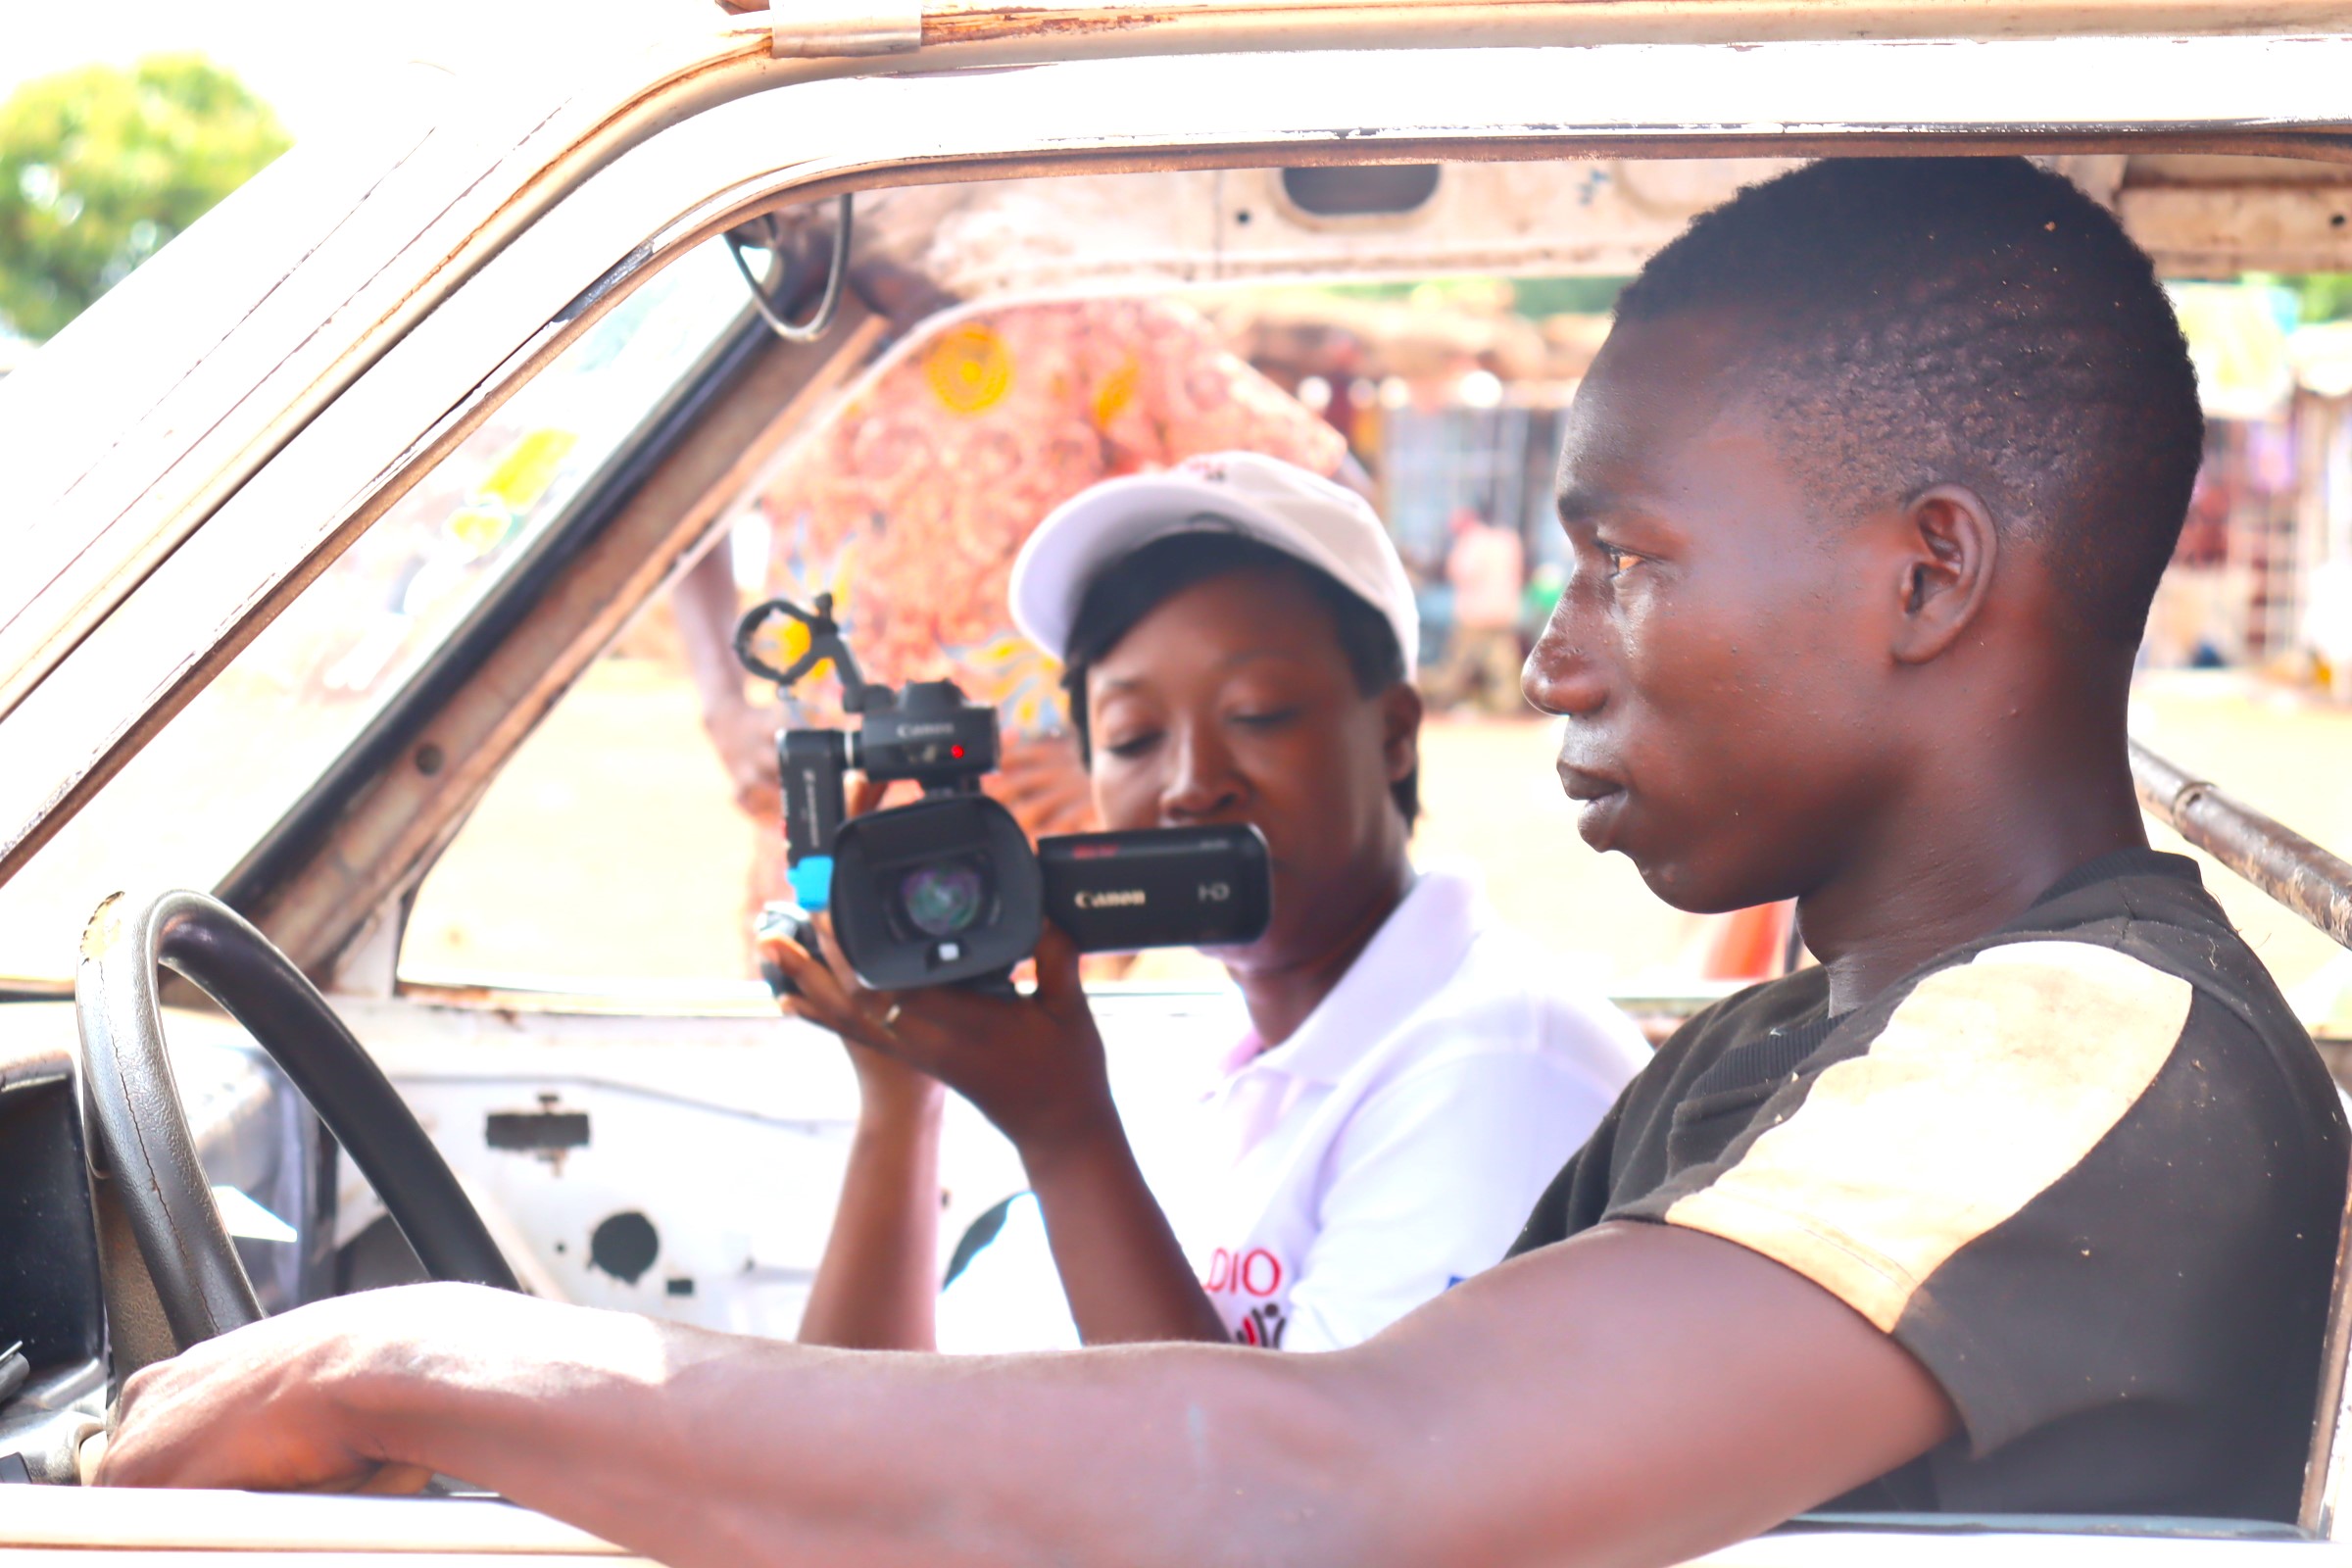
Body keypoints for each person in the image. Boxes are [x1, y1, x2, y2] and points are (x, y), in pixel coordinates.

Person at [102, 159, 2348, 1567]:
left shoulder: (2077, 1041)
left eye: (1622, 560)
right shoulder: (1788, 1052)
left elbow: (1326, 1479)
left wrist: (445, 1362)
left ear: (1926, 573)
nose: (1546, 652)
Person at [777, 453, 1648, 1355]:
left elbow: (1290, 1492)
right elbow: (858, 1431)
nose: (1191, 785)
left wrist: (1067, 1136)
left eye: (1258, 713)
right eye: (1133, 736)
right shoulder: (1184, 1067)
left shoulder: (1500, 1067)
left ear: (1392, 734)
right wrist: (900, 1101)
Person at [673, 297, 1353, 851]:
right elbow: (675, 504)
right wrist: (725, 709)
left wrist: (1155, 745)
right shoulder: (773, 320)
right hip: (824, 835)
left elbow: (1327, 497)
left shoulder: (1088, 317)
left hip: (1033, 849)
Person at [1434, 505, 1527, 713]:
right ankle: (1507, 706)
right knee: (1503, 664)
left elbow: (1460, 572)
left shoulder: (1472, 541)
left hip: (1475, 613)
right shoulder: (1508, 540)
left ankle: (1441, 703)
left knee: (1457, 664)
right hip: (1503, 611)